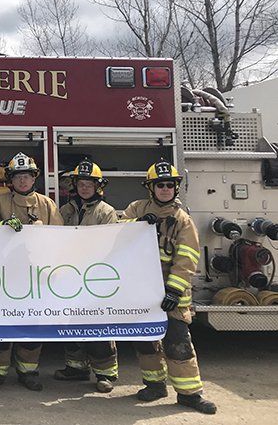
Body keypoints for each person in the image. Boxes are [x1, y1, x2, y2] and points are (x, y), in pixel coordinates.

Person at [121, 160, 217, 414]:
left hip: (169, 292)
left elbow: (187, 258)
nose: (165, 189)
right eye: (159, 185)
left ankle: (190, 394)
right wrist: (140, 222)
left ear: (175, 188)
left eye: (169, 185)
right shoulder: (136, 208)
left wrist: (174, 291)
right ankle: (154, 385)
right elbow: (116, 232)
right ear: (150, 188)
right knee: (145, 341)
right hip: (141, 291)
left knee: (178, 342)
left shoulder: (182, 220)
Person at [0, 152, 62, 392]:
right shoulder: (1, 202)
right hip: (6, 275)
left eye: (26, 176)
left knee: (32, 326)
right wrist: (2, 227)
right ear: (11, 180)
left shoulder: (47, 204)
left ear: (34, 178)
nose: (23, 181)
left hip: (36, 277)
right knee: (1, 325)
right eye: (18, 177)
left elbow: (59, 238)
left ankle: (28, 372)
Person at [55, 160, 119, 393]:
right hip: (70, 277)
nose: (84, 188)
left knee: (98, 325)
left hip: (94, 278)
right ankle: (76, 368)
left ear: (97, 187)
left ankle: (105, 374)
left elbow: (109, 245)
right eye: (80, 184)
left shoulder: (106, 212)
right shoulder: (66, 211)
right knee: (72, 323)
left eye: (88, 184)